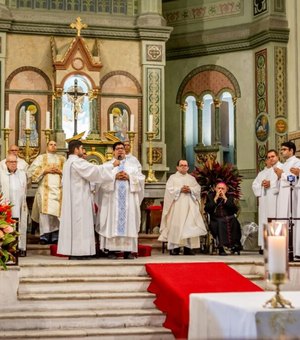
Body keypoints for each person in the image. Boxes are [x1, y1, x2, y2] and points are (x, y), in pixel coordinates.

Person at [57, 140, 119, 260]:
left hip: (73, 199)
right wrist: (112, 165)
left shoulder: (68, 163)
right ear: (76, 149)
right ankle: (79, 252)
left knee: (76, 225)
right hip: (79, 200)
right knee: (80, 225)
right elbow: (94, 171)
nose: (83, 151)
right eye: (81, 148)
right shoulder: (77, 162)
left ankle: (74, 251)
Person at [97, 141, 145, 259]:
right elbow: (101, 182)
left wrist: (129, 177)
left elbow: (141, 179)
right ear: (113, 151)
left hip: (129, 201)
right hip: (113, 201)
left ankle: (128, 251)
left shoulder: (133, 167)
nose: (120, 150)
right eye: (117, 148)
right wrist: (114, 177)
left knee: (129, 223)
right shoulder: (108, 165)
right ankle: (112, 250)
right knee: (112, 223)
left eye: (122, 148)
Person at [158, 160, 207, 255]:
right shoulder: (172, 178)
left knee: (188, 226)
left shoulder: (192, 179)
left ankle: (188, 248)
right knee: (176, 225)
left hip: (189, 205)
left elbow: (197, 189)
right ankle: (175, 248)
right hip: (177, 205)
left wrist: (190, 189)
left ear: (188, 167)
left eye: (185, 165)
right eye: (181, 165)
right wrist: (180, 189)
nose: (184, 167)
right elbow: (169, 190)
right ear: (177, 167)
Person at [28, 140, 66, 244]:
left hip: (59, 190)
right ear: (47, 146)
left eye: (55, 144)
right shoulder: (41, 158)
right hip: (45, 190)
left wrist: (60, 171)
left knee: (56, 214)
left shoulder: (62, 159)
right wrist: (45, 170)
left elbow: (69, 173)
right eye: (51, 144)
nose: (53, 146)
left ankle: (55, 235)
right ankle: (44, 235)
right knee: (44, 214)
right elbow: (31, 172)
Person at [252, 149, 282, 253]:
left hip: (275, 200)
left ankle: (274, 245)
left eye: (272, 156)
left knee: (273, 221)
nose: (270, 159)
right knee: (264, 221)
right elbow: (254, 185)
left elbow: (282, 182)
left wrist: (271, 184)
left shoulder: (281, 168)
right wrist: (261, 184)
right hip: (264, 201)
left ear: (278, 157)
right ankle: (264, 245)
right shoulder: (262, 173)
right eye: (268, 157)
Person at [274, 141, 300, 258]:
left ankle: (294, 251)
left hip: (291, 197)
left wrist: (282, 175)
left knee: (291, 223)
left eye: (284, 149)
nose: (282, 151)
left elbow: (293, 180)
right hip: (282, 197)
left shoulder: (297, 162)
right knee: (281, 222)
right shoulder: (283, 165)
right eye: (281, 149)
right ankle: (281, 252)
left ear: (291, 150)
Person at [0, 154, 28, 257]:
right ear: (6, 163)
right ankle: (7, 249)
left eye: (15, 162)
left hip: (20, 205)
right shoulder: (1, 174)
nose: (13, 164)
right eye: (11, 162)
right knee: (7, 226)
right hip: (6, 206)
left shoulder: (22, 174)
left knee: (20, 226)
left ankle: (20, 247)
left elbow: (24, 189)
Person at [205, 181, 242, 256]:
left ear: (226, 190)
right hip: (215, 219)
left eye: (222, 188)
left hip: (229, 217)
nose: (220, 190)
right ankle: (221, 247)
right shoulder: (210, 196)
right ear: (215, 189)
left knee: (234, 220)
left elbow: (234, 210)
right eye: (219, 188)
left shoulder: (229, 196)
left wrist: (225, 199)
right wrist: (215, 199)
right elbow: (207, 209)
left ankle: (235, 244)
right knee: (220, 222)